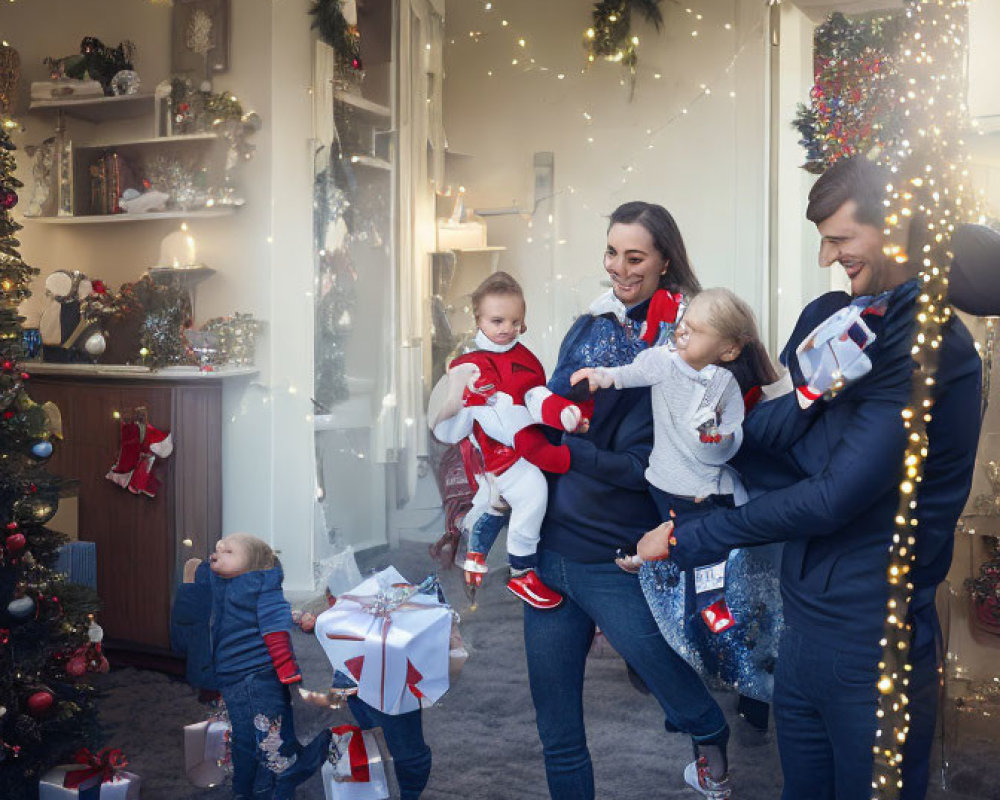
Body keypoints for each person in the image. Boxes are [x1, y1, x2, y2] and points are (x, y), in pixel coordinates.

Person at [635, 156, 982, 800]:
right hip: (805, 634)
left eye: (841, 239)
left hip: (874, 643)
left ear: (896, 229)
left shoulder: (931, 348)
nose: (827, 256)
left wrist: (693, 535)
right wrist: (727, 403)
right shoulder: (850, 324)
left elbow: (833, 496)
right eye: (822, 239)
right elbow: (785, 445)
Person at [523, 201, 733, 800]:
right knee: (555, 730)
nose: (619, 267)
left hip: (610, 552)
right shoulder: (589, 326)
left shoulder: (685, 347)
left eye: (635, 255)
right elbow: (546, 412)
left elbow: (647, 466)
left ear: (666, 260)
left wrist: (566, 452)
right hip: (546, 551)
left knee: (675, 683)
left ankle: (711, 741)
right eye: (611, 252)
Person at [571, 288, 782, 730]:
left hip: (703, 503)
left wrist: (716, 437)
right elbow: (630, 373)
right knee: (679, 600)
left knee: (712, 603)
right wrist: (601, 375)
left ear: (728, 349)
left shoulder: (720, 384)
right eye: (685, 321)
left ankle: (751, 683)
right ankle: (696, 693)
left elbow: (721, 451)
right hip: (664, 494)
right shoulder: (664, 358)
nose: (682, 330)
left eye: (697, 329)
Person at [430, 271, 585, 610]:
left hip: (530, 441)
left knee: (509, 505)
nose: (506, 328)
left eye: (515, 321)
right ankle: (522, 571)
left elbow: (536, 397)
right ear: (479, 320)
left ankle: (478, 555)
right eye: (497, 320)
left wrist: (561, 413)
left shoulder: (528, 360)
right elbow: (453, 421)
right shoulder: (468, 366)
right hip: (498, 456)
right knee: (532, 492)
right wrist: (462, 400)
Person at [171, 534, 332, 800]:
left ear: (253, 564)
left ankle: (275, 786)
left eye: (228, 551)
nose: (216, 554)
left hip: (256, 677)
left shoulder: (258, 584)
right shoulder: (220, 581)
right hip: (232, 678)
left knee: (268, 741)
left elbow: (275, 624)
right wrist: (190, 580)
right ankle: (246, 789)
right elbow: (188, 619)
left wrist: (289, 668)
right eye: (216, 549)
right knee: (244, 740)